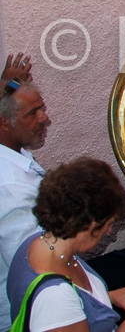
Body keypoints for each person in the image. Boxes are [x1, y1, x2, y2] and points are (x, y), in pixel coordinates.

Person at [7, 158, 125, 332]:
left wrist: (107, 297)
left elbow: (73, 305)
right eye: (108, 223)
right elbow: (61, 310)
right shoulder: (54, 299)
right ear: (89, 225)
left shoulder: (37, 243)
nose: (109, 231)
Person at [0, 78, 50, 331]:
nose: (45, 118)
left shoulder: (17, 157)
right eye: (33, 113)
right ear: (4, 123)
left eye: (42, 108)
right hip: (23, 316)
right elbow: (36, 266)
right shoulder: (9, 185)